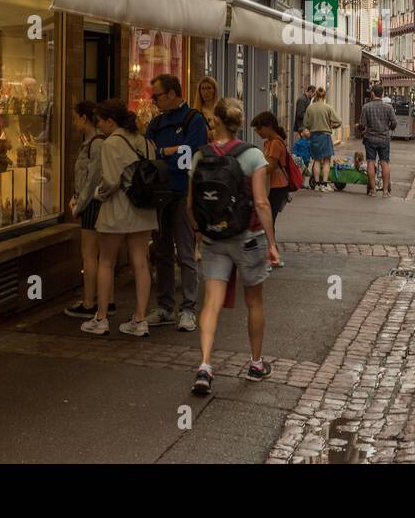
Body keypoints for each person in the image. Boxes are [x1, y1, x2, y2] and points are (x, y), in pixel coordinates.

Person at [187, 98, 281, 396]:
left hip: (214, 238)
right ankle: (255, 363)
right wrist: (272, 243)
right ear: (239, 124)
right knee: (254, 301)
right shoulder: (253, 155)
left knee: (211, 302)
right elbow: (262, 202)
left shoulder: (200, 155)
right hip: (248, 238)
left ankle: (204, 365)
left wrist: (199, 231)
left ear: (216, 121)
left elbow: (190, 204)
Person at [83, 100, 158, 337]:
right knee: (140, 262)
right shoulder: (146, 142)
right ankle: (139, 319)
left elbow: (111, 182)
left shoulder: (111, 143)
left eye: (100, 122)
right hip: (143, 209)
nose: (99, 127)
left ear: (110, 121)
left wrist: (96, 194)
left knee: (106, 261)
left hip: (116, 209)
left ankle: (101, 317)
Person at [145, 74, 208, 332]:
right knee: (161, 252)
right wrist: (165, 153)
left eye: (157, 95)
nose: (154, 100)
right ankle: (165, 307)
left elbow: (190, 155)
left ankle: (188, 309)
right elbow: (147, 152)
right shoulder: (156, 123)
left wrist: (164, 155)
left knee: (185, 253)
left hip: (183, 193)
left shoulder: (194, 120)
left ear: (172, 93)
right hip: (158, 193)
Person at [64, 100, 116, 320]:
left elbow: (92, 178)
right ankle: (108, 300)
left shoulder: (95, 143)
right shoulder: (96, 141)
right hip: (96, 202)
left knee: (90, 254)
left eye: (75, 117)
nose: (74, 122)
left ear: (84, 118)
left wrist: (79, 204)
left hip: (93, 205)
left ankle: (89, 302)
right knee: (103, 256)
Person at [251, 110, 291, 269]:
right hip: (272, 185)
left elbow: (271, 166)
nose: (257, 132)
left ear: (268, 127)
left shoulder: (275, 143)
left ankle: (272, 254)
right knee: (267, 220)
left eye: (259, 128)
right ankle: (271, 252)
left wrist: (254, 170)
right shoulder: (268, 142)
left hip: (277, 186)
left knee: (268, 220)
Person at [358, 85, 398, 197]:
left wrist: (361, 128)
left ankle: (374, 191)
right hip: (384, 138)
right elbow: (394, 123)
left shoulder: (366, 107)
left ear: (372, 93)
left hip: (370, 138)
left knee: (371, 162)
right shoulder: (388, 107)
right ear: (382, 94)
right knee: (385, 163)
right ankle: (385, 192)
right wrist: (388, 127)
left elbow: (362, 125)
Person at [303, 86, 341, 191]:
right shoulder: (328, 108)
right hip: (325, 136)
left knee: (316, 160)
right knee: (327, 160)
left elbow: (305, 123)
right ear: (324, 96)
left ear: (315, 95)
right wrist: (332, 126)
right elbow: (338, 121)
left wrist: (311, 127)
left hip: (314, 136)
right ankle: (324, 184)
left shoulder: (310, 108)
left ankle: (316, 184)